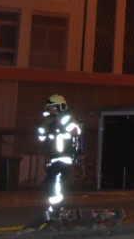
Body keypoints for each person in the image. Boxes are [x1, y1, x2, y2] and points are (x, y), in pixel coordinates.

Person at [36, 94, 82, 227]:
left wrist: (59, 128)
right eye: (50, 108)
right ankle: (54, 209)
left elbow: (76, 131)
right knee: (53, 182)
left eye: (54, 108)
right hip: (53, 158)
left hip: (64, 157)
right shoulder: (47, 121)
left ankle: (57, 209)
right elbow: (41, 138)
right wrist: (46, 130)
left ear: (61, 107)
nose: (52, 111)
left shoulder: (66, 119)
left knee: (52, 180)